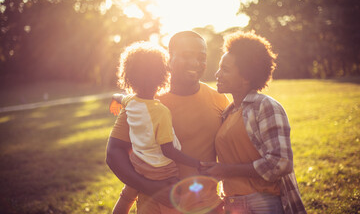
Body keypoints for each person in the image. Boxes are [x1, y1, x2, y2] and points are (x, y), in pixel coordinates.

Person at [106, 31, 229, 214]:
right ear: (169, 58)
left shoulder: (218, 99)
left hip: (207, 206)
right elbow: (114, 152)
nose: (195, 63)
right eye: (186, 55)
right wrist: (149, 187)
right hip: (155, 206)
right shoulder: (145, 101)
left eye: (201, 57)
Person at [200, 31, 306, 214]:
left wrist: (227, 170)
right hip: (233, 204)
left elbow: (280, 163)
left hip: (261, 204)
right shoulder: (229, 112)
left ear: (246, 77)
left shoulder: (265, 106)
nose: (217, 74)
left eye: (225, 69)